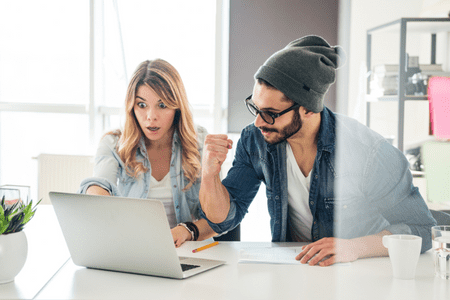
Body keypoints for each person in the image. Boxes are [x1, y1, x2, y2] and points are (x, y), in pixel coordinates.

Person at [199, 35, 436, 266]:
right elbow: (223, 221)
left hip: (359, 272)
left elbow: (423, 231)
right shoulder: (255, 140)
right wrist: (209, 174)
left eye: (271, 113)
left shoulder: (369, 152)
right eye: (255, 107)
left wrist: (353, 247)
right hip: (296, 269)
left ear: (309, 110)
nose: (259, 122)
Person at [79, 59, 216, 247]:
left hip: (189, 251)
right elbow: (101, 183)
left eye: (162, 105)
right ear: (131, 107)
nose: (151, 116)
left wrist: (187, 230)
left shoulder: (199, 142)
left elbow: (218, 219)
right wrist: (96, 193)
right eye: (142, 105)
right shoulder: (113, 143)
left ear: (177, 107)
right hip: (134, 250)